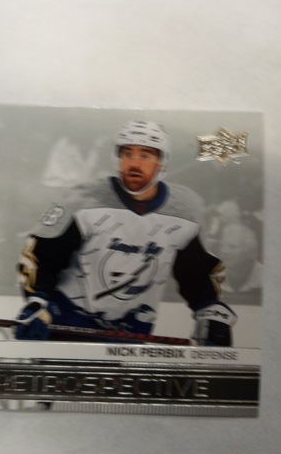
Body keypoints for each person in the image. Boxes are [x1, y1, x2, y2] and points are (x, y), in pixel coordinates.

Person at [15, 121, 237, 346]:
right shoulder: (83, 199)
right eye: (127, 153)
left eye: (145, 155)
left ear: (162, 163)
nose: (134, 163)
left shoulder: (185, 210)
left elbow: (197, 273)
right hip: (67, 322)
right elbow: (41, 256)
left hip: (131, 332)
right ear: (117, 158)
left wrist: (210, 309)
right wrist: (37, 301)